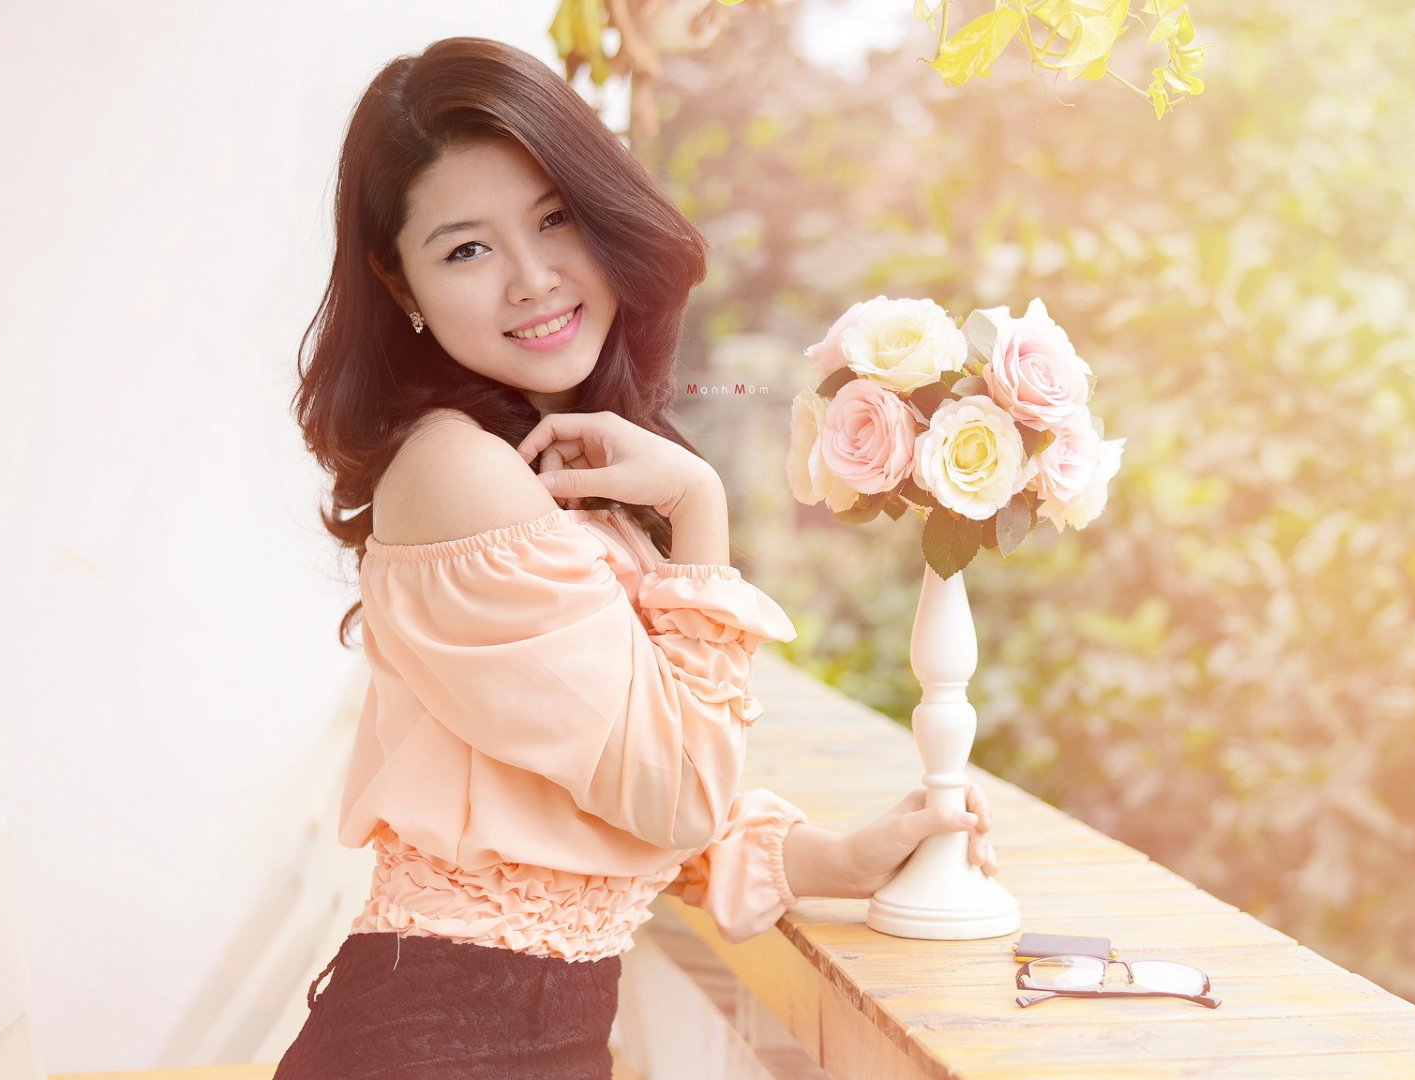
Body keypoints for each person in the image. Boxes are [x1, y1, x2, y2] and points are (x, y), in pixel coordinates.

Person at [280, 35, 996, 1078]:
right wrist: (699, 507)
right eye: (467, 250)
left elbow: (615, 797)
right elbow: (675, 792)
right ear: (403, 286)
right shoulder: (457, 472)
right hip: (440, 1044)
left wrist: (838, 859)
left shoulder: (544, 475)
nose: (532, 280)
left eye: (554, 219)